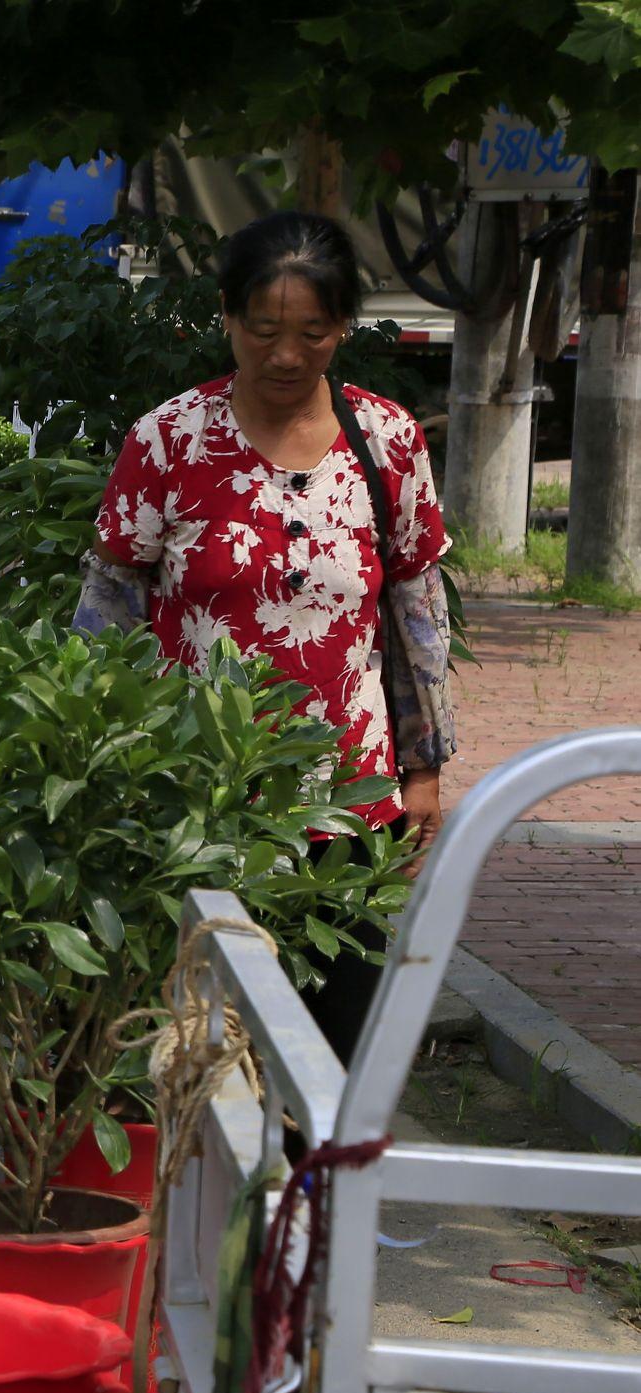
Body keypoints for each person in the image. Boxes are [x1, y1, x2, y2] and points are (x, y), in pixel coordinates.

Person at [75, 210, 455, 1061]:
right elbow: (105, 618)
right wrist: (103, 772)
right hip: (195, 809)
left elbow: (416, 613)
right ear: (227, 317)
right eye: (264, 329)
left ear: (344, 326)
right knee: (206, 1058)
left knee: (334, 1060)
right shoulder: (169, 439)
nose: (286, 355)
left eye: (313, 332)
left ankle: (313, 1199)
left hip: (350, 811)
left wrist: (424, 770)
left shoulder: (387, 441)